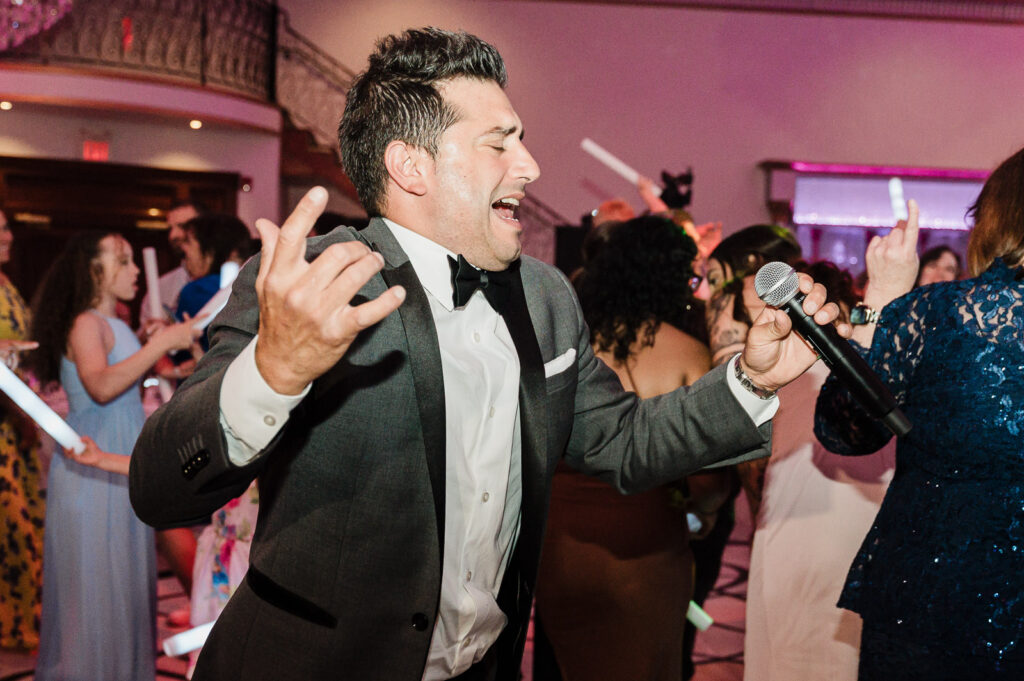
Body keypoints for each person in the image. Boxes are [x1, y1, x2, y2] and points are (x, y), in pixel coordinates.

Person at [128, 28, 842, 681]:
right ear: (411, 165)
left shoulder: (546, 298)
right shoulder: (307, 282)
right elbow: (160, 486)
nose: (529, 166)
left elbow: (624, 439)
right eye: (499, 143)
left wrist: (750, 380)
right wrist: (273, 372)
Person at [815, 149, 1024, 680]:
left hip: (929, 601)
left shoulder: (935, 313)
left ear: (995, 221)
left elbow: (843, 429)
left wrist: (882, 295)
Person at [535, 215, 715, 681]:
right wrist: (700, 512)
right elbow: (709, 479)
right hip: (647, 547)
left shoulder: (567, 347)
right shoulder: (687, 352)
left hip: (562, 545)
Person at [29, 232, 201, 681]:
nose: (135, 271)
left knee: (123, 583)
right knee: (96, 588)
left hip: (119, 459)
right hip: (93, 464)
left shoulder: (119, 323)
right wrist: (161, 345)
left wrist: (178, 356)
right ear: (94, 272)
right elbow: (100, 386)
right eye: (123, 261)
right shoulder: (86, 322)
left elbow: (134, 375)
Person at [743, 260, 895, 681]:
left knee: (800, 653)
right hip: (812, 527)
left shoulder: (853, 371)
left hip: (826, 530)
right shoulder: (784, 367)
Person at [0, 208, 45, 650]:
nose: (5, 235)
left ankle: (21, 625)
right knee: (11, 529)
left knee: (25, 524)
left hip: (16, 424)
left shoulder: (7, 283)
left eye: (6, 226)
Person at [139, 201, 204, 328]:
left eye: (182, 226)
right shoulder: (161, 287)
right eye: (171, 228)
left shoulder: (228, 280)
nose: (173, 235)